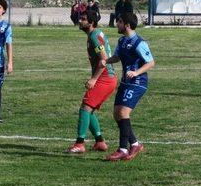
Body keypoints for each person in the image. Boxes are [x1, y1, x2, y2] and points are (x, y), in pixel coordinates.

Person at [104, 12, 155, 161]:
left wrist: (136, 72)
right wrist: (106, 61)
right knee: (117, 114)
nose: (117, 24)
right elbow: (117, 57)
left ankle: (123, 149)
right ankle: (135, 144)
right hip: (126, 83)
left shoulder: (139, 42)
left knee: (123, 112)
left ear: (126, 24)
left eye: (119, 22)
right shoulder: (121, 41)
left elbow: (151, 62)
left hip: (138, 84)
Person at [66, 10, 116, 153]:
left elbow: (103, 59)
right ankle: (100, 142)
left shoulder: (94, 36)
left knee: (85, 108)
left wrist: (94, 79)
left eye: (83, 19)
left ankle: (79, 144)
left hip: (105, 78)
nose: (80, 21)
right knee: (90, 110)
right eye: (80, 18)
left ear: (92, 22)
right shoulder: (94, 34)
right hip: (107, 78)